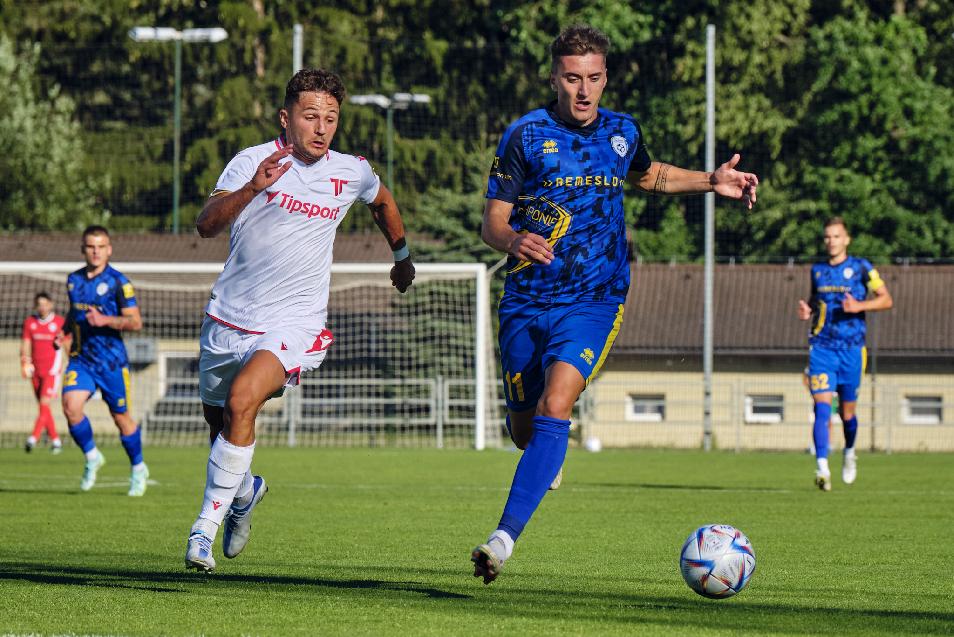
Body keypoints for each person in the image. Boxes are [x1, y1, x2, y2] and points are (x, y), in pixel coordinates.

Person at [471, 24, 759, 585]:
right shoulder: (524, 136)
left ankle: (501, 540)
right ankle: (544, 454)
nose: (583, 90)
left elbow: (650, 175)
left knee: (557, 405)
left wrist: (711, 180)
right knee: (525, 426)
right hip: (527, 299)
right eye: (572, 78)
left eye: (594, 78)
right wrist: (513, 240)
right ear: (553, 78)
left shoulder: (623, 131)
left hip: (596, 299)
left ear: (605, 78)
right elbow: (492, 223)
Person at [184, 68, 415, 573]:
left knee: (243, 400)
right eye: (311, 116)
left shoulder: (350, 171)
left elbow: (382, 201)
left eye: (331, 118)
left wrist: (401, 257)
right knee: (221, 426)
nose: (321, 127)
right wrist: (253, 188)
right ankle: (244, 491)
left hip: (294, 322)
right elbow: (205, 225)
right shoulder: (252, 161)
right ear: (286, 119)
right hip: (228, 318)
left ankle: (203, 529)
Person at [797, 217, 892, 491]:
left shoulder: (862, 268)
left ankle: (849, 452)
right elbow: (815, 302)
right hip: (822, 347)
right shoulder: (817, 271)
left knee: (847, 415)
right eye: (827, 237)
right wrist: (807, 310)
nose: (831, 241)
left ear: (846, 239)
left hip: (852, 349)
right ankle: (822, 468)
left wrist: (860, 306)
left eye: (836, 236)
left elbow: (886, 299)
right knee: (822, 408)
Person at [61, 226, 147, 495]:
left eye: (101, 246)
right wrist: (63, 332)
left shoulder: (119, 282)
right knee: (70, 407)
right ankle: (92, 456)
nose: (95, 251)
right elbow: (74, 313)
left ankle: (138, 468)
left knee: (120, 418)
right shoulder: (73, 280)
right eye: (90, 246)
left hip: (111, 362)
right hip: (82, 359)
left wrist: (105, 320)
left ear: (109, 250)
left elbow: (136, 322)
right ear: (83, 249)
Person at [21, 292, 66, 454]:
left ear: (51, 304)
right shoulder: (30, 322)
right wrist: (25, 362)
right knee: (43, 408)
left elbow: (67, 343)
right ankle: (56, 441)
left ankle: (33, 438)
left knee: (44, 403)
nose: (42, 307)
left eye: (45, 304)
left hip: (52, 371)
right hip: (35, 370)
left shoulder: (59, 322)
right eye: (39, 304)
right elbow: (26, 343)